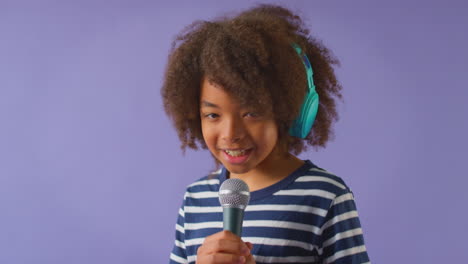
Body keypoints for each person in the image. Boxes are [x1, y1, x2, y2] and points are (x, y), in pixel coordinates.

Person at [162, 4, 370, 264]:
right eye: (213, 115)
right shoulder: (195, 198)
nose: (231, 134)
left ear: (288, 110)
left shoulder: (325, 196)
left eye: (251, 113)